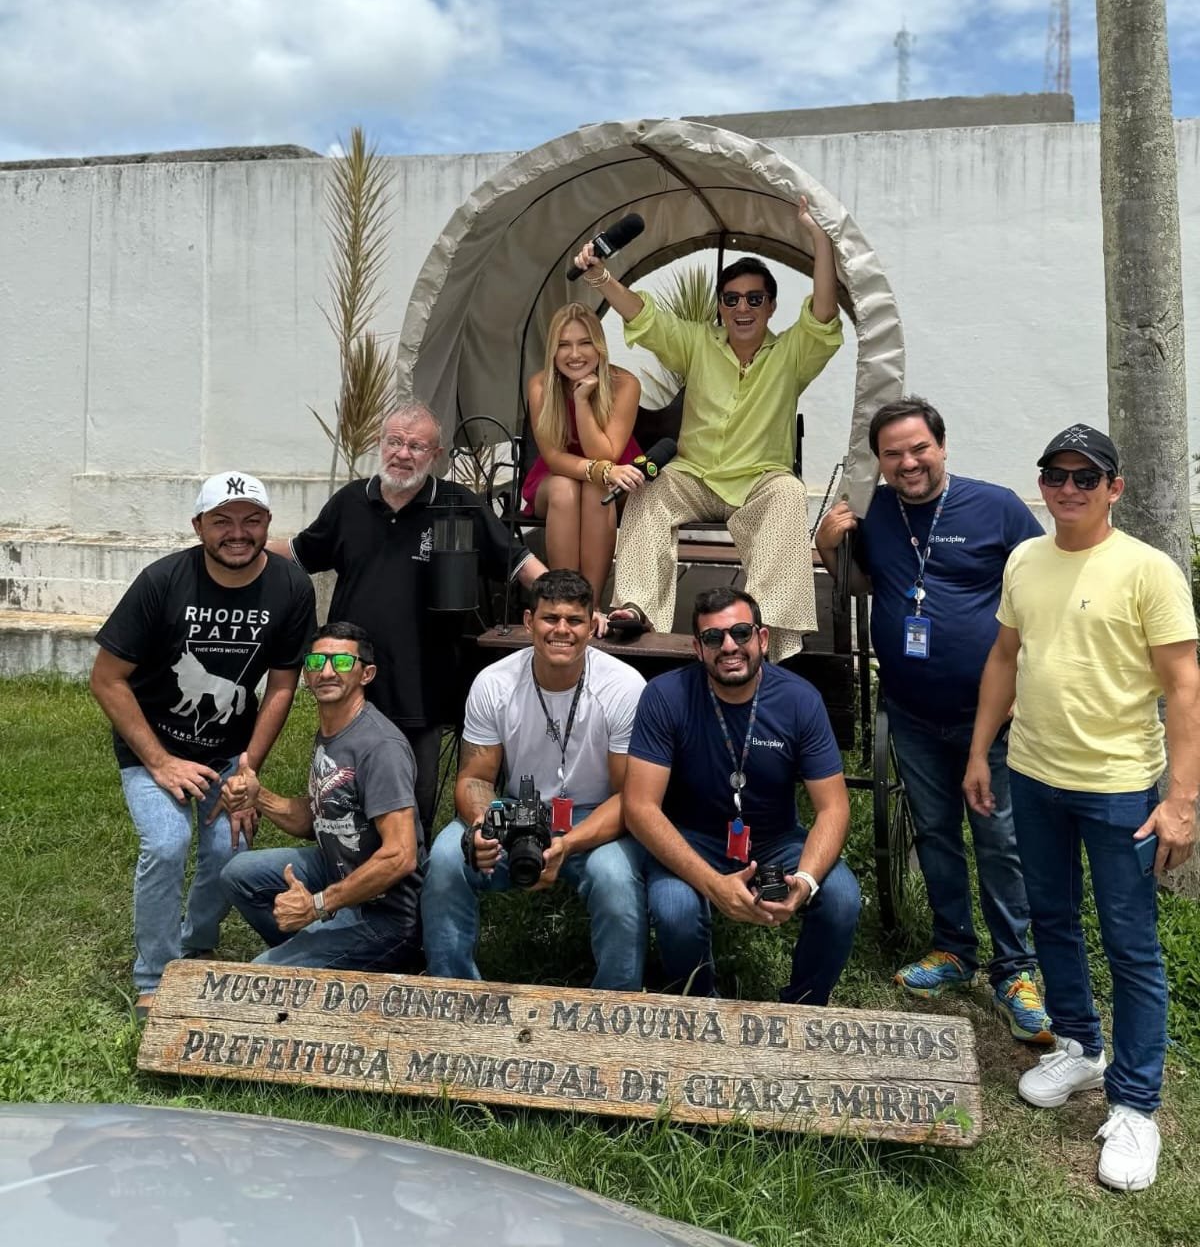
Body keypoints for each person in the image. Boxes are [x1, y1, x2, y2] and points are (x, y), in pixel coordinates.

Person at [965, 424, 1200, 1192]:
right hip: (1034, 775)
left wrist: (1181, 802)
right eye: (1055, 475)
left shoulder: (1148, 570)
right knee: (1053, 919)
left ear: (1114, 489)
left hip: (1120, 789)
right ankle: (1079, 1047)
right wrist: (978, 753)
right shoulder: (1025, 560)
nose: (1067, 489)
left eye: (1084, 478)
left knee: (1132, 948)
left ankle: (1135, 1106)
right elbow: (1006, 656)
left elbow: (1185, 687)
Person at [815, 397, 1051, 1041]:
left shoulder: (996, 506)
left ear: (942, 447)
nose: (907, 463)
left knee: (999, 840)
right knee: (937, 834)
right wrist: (824, 539)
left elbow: (1044, 585)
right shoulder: (878, 510)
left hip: (992, 716)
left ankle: (1016, 970)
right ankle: (953, 948)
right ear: (881, 463)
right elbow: (859, 579)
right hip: (911, 712)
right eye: (893, 454)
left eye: (918, 449)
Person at [574, 197, 842, 660]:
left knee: (788, 493)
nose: (743, 308)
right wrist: (599, 276)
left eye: (754, 299)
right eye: (732, 299)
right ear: (720, 305)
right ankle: (636, 609)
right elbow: (644, 317)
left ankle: (764, 628)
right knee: (646, 489)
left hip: (759, 479)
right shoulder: (698, 343)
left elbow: (821, 312)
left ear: (771, 306)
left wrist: (819, 237)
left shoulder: (793, 353)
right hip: (693, 475)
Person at [90, 472, 316, 1017]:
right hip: (154, 748)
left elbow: (283, 684)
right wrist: (161, 762)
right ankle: (155, 975)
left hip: (226, 752)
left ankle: (198, 942)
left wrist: (248, 768)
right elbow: (107, 678)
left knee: (228, 850)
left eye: (252, 520)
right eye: (222, 521)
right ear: (199, 526)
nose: (237, 532)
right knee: (167, 845)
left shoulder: (291, 586)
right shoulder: (162, 581)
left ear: (267, 525)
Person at [272, 401, 545, 841]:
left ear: (435, 455)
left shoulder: (459, 505)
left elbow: (518, 562)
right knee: (341, 800)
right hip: (350, 681)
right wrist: (239, 548)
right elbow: (302, 551)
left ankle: (406, 889)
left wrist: (568, 601)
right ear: (381, 445)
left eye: (416, 446)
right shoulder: (349, 503)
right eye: (395, 441)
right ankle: (344, 874)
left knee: (412, 804)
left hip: (424, 684)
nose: (403, 453)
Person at [624, 586, 861, 1003]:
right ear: (698, 648)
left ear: (763, 639)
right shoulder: (664, 696)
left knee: (841, 898)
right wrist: (714, 885)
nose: (729, 646)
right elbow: (640, 807)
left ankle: (803, 1008)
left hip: (777, 839)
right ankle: (700, 1006)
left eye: (741, 633)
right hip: (692, 835)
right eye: (714, 638)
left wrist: (804, 882)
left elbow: (833, 808)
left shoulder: (800, 700)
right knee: (675, 909)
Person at [422, 569, 647, 990]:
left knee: (615, 878)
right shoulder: (494, 683)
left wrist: (568, 844)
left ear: (592, 623)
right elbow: (474, 777)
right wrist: (482, 826)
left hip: (595, 814)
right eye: (550, 619)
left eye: (575, 620)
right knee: (448, 857)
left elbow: (630, 798)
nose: (561, 630)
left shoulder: (623, 687)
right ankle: (450, 992)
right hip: (516, 808)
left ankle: (617, 1006)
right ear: (529, 622)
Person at [217, 623, 423, 970]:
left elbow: (401, 856)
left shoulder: (380, 747)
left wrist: (317, 905)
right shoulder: (334, 731)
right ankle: (314, 951)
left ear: (366, 674)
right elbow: (318, 816)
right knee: (238, 874)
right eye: (316, 662)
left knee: (265, 974)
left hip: (386, 917)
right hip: (338, 873)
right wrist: (258, 796)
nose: (326, 672)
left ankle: (330, 958)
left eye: (341, 662)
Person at [522, 301, 643, 606]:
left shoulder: (625, 384)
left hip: (615, 476)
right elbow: (553, 458)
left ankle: (590, 606)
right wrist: (600, 471)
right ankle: (565, 603)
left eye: (584, 343)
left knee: (595, 488)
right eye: (564, 345)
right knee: (565, 488)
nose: (574, 354)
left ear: (599, 346)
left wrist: (583, 401)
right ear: (553, 350)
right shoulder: (539, 385)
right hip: (556, 476)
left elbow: (607, 454)